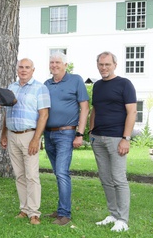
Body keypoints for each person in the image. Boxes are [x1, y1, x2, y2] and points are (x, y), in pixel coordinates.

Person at [0, 58, 50, 225]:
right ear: (17, 69)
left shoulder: (40, 88)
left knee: (32, 175)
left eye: (27, 67)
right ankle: (24, 209)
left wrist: (36, 139)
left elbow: (44, 115)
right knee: (19, 175)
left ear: (33, 70)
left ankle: (34, 212)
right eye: (21, 67)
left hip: (29, 136)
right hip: (12, 135)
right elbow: (7, 113)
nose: (23, 70)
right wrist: (4, 134)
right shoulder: (11, 88)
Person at [90, 51, 136, 232]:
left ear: (115, 65)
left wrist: (126, 138)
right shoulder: (98, 86)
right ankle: (113, 214)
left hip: (117, 138)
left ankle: (123, 220)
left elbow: (132, 112)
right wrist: (91, 132)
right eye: (101, 64)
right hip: (98, 138)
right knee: (106, 178)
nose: (104, 68)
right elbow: (95, 109)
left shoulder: (125, 84)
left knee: (118, 178)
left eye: (107, 64)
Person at [43, 52, 89, 225]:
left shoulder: (76, 80)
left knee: (62, 172)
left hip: (66, 133)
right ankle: (61, 208)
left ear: (65, 65)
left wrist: (79, 133)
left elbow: (84, 108)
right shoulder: (46, 84)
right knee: (58, 172)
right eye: (51, 62)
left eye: (58, 62)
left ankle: (65, 214)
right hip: (48, 134)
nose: (54, 65)